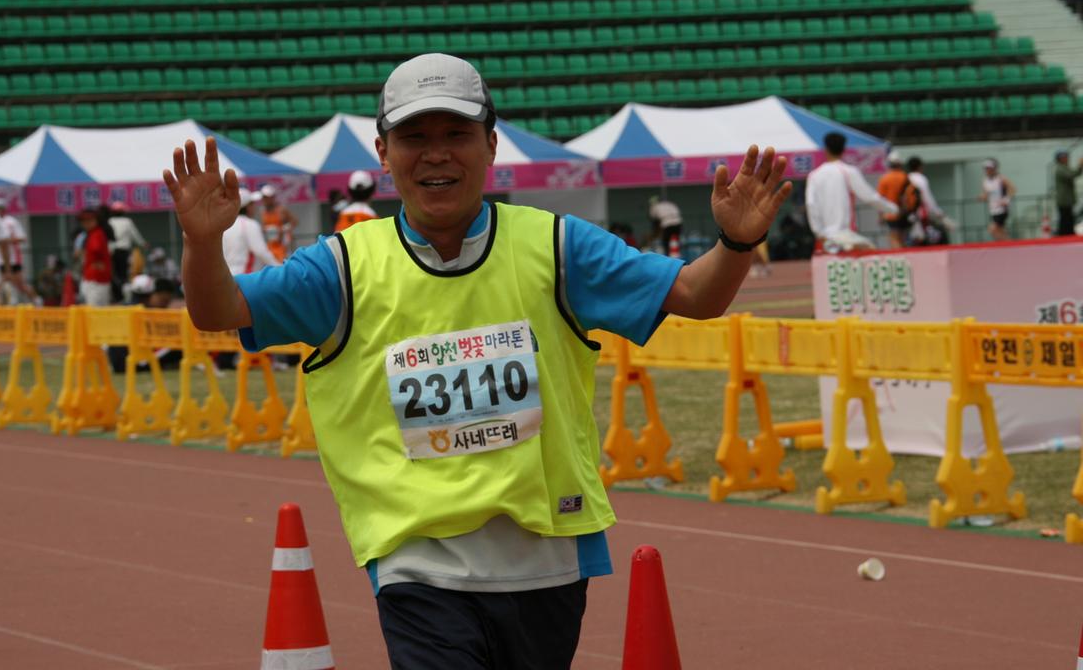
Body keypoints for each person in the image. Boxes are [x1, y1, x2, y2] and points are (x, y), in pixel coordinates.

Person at [163, 52, 793, 669]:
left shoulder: (556, 244)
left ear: (491, 145)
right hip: (417, 560)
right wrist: (200, 242)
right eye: (414, 136)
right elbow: (219, 311)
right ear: (383, 154)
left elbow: (694, 295)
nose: (436, 153)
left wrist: (737, 242)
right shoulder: (342, 267)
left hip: (548, 557)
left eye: (456, 133)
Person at [804, 132, 899, 253]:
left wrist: (819, 232)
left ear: (826, 149)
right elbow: (870, 197)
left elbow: (811, 204)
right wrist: (894, 209)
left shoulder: (814, 175)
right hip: (847, 236)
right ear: (844, 149)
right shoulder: (848, 171)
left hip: (825, 238)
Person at [107, 275, 182, 374]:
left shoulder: (123, 309)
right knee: (178, 347)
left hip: (116, 363)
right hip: (135, 363)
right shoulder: (143, 313)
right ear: (151, 294)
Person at [223, 188, 279, 275]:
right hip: (245, 277)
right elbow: (261, 251)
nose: (254, 207)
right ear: (248, 206)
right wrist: (280, 268)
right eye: (252, 204)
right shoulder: (249, 224)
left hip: (227, 277)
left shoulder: (225, 225)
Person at [0, 198, 36, 302]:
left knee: (20, 286)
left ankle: (37, 301)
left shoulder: (11, 222)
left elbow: (22, 237)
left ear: (3, 209)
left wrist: (6, 241)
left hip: (12, 259)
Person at [876, 151, 920, 249]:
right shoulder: (906, 177)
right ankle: (906, 257)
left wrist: (880, 216)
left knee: (894, 238)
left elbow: (880, 199)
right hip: (905, 212)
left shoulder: (885, 179)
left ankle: (899, 259)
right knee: (903, 239)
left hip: (890, 214)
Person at [905, 156, 952, 245]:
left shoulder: (907, 178)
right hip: (922, 213)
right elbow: (927, 198)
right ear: (920, 167)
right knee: (932, 238)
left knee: (916, 238)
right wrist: (938, 212)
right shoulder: (921, 179)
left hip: (909, 214)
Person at [107, 201, 147, 295]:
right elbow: (135, 235)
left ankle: (115, 294)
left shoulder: (109, 221)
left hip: (111, 251)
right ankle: (124, 293)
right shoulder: (127, 222)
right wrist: (142, 243)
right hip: (123, 251)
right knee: (123, 273)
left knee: (114, 273)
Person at [77, 208, 113, 306]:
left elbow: (95, 249)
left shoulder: (96, 233)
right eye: (83, 221)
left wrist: (96, 262)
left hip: (96, 277)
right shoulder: (95, 233)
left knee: (94, 309)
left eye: (89, 220)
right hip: (96, 276)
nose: (86, 223)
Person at [258, 185, 298, 262]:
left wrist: (283, 229)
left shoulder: (281, 209)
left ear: (272, 198)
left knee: (283, 265)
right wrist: (264, 229)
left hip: (283, 245)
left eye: (266, 198)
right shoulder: (262, 211)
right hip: (271, 244)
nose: (264, 200)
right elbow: (264, 225)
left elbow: (295, 221)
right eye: (264, 198)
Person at [979, 159, 1014, 241]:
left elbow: (1012, 189)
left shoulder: (1001, 179)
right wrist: (981, 197)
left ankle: (1006, 245)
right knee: (1000, 231)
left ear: (994, 168)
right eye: (986, 168)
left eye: (989, 168)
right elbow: (985, 195)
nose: (988, 170)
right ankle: (1008, 245)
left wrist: (1006, 200)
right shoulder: (985, 181)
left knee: (992, 229)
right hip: (993, 210)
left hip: (1002, 209)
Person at [1053, 149, 1083, 237]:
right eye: (1064, 157)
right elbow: (1072, 175)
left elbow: (1073, 174)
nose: (1066, 159)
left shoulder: (1063, 168)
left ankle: (1068, 233)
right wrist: (1080, 166)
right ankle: (1064, 234)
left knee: (1068, 218)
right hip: (1064, 200)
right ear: (1059, 159)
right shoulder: (1060, 169)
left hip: (1067, 200)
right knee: (1065, 219)